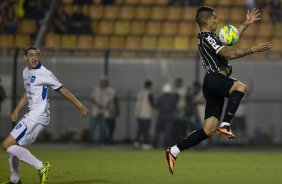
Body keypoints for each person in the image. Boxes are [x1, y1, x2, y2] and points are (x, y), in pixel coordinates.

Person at [164, 7, 272, 174]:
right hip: (215, 79)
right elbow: (229, 52)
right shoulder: (207, 37)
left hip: (212, 84)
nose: (218, 21)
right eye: (215, 18)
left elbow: (231, 39)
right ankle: (226, 125)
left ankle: (174, 151)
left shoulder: (208, 38)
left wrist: (245, 24)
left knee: (208, 130)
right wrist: (253, 49)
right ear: (206, 21)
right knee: (241, 87)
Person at [1, 46, 88, 184]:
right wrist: (17, 109)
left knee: (6, 144)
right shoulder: (26, 72)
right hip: (31, 114)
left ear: (39, 57)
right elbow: (27, 93)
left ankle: (41, 166)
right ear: (25, 57)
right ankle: (15, 180)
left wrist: (80, 106)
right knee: (13, 146)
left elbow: (63, 90)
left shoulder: (45, 73)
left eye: (36, 55)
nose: (34, 58)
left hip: (37, 116)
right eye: (30, 55)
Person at [90, 77, 116, 145]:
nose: (103, 83)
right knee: (93, 127)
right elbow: (92, 98)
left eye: (104, 82)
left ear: (107, 83)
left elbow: (111, 100)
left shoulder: (111, 90)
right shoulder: (96, 89)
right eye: (102, 82)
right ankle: (91, 142)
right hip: (96, 111)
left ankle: (101, 142)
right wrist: (98, 105)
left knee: (103, 128)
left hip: (104, 112)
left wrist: (106, 105)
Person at [154, 83, 178, 148]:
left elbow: (157, 106)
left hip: (161, 116)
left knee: (158, 131)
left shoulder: (160, 98)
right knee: (168, 131)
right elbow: (175, 108)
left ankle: (156, 144)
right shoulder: (173, 98)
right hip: (169, 116)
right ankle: (167, 145)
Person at [134, 80, 154, 149]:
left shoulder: (140, 92)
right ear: (149, 86)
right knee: (145, 129)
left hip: (139, 114)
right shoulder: (149, 93)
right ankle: (145, 143)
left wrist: (136, 113)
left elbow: (138, 104)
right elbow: (152, 103)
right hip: (147, 114)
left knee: (140, 129)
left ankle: (136, 142)